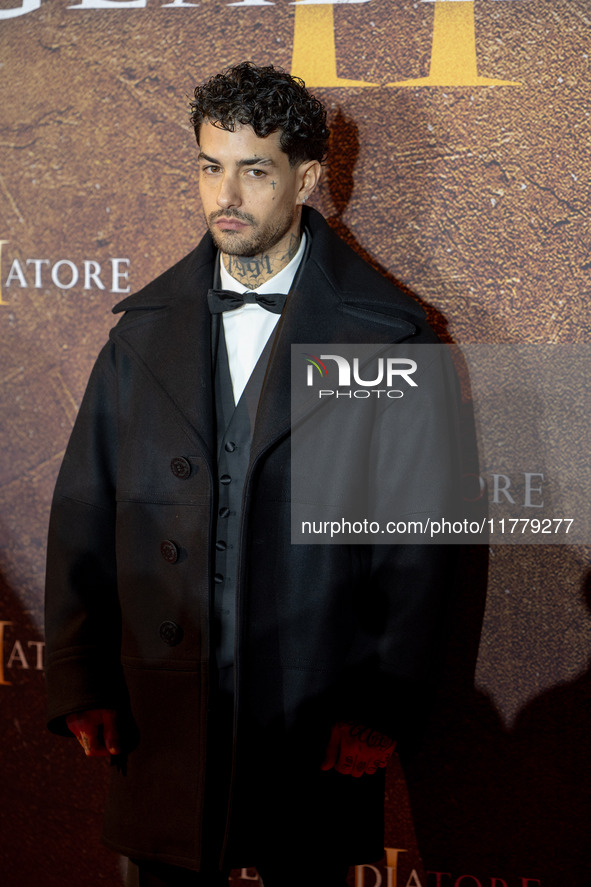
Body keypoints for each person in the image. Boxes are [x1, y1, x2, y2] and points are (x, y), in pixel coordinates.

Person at [45, 61, 459, 887]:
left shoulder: (389, 336)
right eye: (209, 166)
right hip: (160, 708)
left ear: (306, 179)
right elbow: (84, 509)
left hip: (309, 711)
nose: (224, 196)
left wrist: (379, 698)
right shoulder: (139, 336)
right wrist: (80, 674)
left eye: (253, 169)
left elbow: (420, 542)